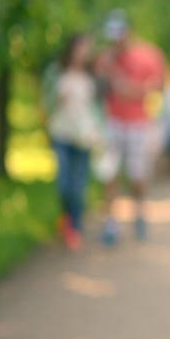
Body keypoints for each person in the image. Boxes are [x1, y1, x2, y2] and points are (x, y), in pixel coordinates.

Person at [94, 10, 166, 245]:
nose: (116, 41)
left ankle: (139, 212)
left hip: (137, 123)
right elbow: (100, 88)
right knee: (110, 173)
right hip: (113, 122)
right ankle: (111, 223)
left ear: (129, 33)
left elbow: (156, 87)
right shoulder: (105, 58)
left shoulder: (148, 55)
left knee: (137, 176)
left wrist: (128, 89)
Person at [43, 33, 103, 250]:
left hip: (84, 137)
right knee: (64, 184)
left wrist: (98, 133)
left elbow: (96, 110)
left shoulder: (91, 77)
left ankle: (74, 227)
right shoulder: (56, 73)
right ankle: (67, 218)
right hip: (61, 134)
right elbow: (46, 102)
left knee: (78, 186)